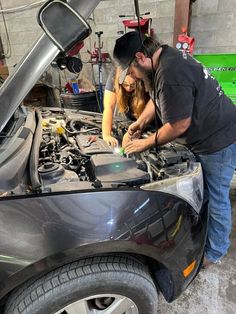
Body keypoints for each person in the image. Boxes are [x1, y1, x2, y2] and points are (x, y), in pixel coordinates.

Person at [113, 31, 236, 268]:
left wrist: (144, 143)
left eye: (131, 71)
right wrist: (141, 122)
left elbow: (179, 124)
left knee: (217, 197)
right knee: (207, 194)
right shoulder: (165, 57)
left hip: (218, 140)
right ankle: (206, 236)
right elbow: (158, 99)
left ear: (140, 57)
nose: (134, 77)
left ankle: (216, 252)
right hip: (211, 134)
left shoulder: (170, 72)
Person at [102, 66, 149, 146]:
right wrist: (106, 135)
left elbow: (150, 111)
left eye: (132, 85)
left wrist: (134, 131)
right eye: (125, 84)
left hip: (150, 119)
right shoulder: (115, 74)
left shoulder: (146, 76)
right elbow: (109, 107)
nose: (128, 88)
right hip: (131, 119)